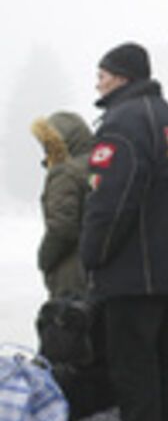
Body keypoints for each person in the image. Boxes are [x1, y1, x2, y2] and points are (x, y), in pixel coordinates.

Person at [80, 42, 168, 421]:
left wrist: (93, 255)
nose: (98, 81)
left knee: (134, 364)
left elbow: (110, 201)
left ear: (123, 76)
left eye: (104, 73)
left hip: (132, 270)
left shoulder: (122, 123)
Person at [31, 111, 95, 298]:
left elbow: (63, 226)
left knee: (68, 322)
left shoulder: (66, 172)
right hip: (99, 269)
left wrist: (45, 259)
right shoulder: (100, 165)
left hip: (71, 272)